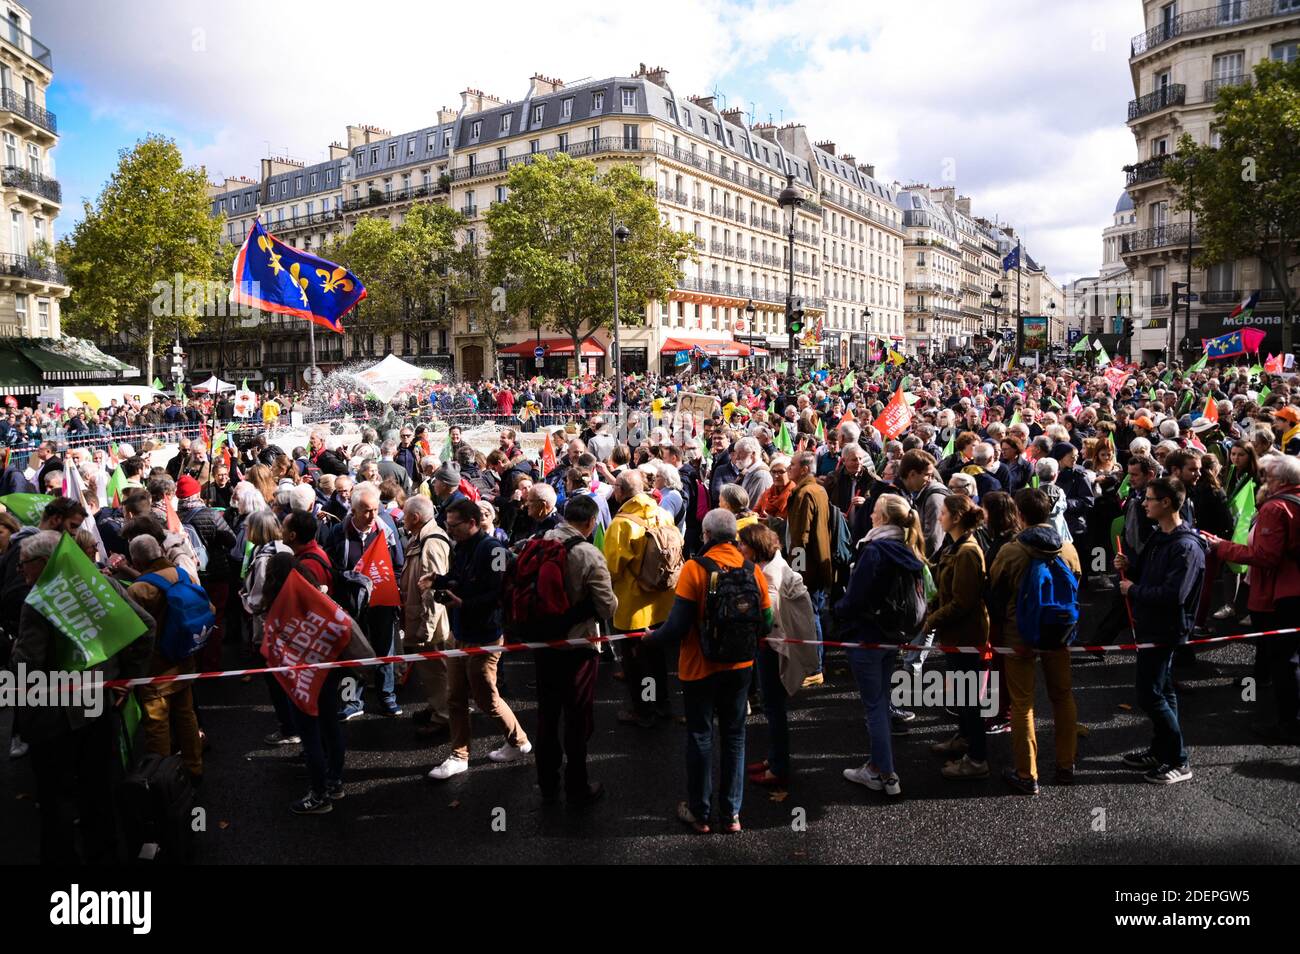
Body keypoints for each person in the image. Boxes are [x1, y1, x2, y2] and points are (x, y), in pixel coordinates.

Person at [11, 530, 154, 863]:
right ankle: (104, 853)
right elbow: (145, 626)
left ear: (44, 564)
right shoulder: (100, 584)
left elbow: (26, 664)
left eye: (24, 565)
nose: (21, 572)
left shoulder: (38, 601)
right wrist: (126, 680)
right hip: (100, 703)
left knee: (56, 798)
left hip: (54, 714)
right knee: (99, 788)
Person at [641, 508, 772, 834]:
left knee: (700, 735)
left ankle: (700, 814)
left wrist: (650, 638)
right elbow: (766, 621)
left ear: (707, 535)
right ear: (735, 537)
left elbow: (677, 626)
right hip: (740, 666)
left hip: (699, 667)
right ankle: (732, 815)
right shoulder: (752, 569)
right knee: (734, 737)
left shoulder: (694, 569)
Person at [426, 498, 532, 779]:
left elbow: (497, 595)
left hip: (485, 636)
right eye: (447, 525)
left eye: (453, 526)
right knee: (455, 697)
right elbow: (458, 578)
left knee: (486, 697)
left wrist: (463, 603)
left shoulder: (493, 549)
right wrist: (438, 581)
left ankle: (518, 741)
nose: (449, 531)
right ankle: (460, 755)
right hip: (461, 633)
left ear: (472, 523)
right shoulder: (461, 547)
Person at [987, 487, 1081, 795]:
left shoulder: (1012, 550)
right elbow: (1078, 581)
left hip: (1020, 635)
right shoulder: (1067, 548)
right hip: (1059, 633)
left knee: (1022, 704)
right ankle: (1067, 765)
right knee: (1062, 696)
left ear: (1020, 515)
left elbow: (995, 591)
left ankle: (1027, 774)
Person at [835, 493, 927, 798]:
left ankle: (883, 773)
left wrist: (839, 610)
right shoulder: (907, 548)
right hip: (891, 634)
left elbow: (857, 597)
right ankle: (879, 765)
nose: (870, 516)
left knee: (874, 706)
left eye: (874, 512)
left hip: (866, 634)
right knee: (881, 700)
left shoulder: (875, 550)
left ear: (884, 519)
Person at [1203, 454, 1300, 743]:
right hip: (1290, 589)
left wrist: (1223, 548)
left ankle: (1289, 724)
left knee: (1286, 661)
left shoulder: (1276, 507)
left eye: (1267, 475)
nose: (1262, 479)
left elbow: (1265, 557)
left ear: (1281, 479)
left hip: (1283, 593)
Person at [1115, 476, 1206, 784]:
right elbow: (1147, 572)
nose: (1144, 503)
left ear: (1166, 503)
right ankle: (1160, 750)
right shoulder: (1160, 536)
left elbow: (1174, 595)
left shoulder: (1185, 547)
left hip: (1165, 628)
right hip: (1150, 624)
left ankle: (1179, 760)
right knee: (1163, 689)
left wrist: (1133, 590)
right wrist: (1129, 564)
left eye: (1150, 498)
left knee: (1150, 694)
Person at [533, 495, 618, 806]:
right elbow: (607, 607)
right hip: (578, 644)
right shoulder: (589, 554)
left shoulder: (539, 541)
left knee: (547, 712)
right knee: (577, 716)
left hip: (541, 642)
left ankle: (546, 780)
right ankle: (578, 786)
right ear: (592, 522)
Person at [127, 534, 210, 785]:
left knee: (157, 724)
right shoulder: (182, 575)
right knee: (186, 716)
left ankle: (163, 777)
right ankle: (194, 767)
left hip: (155, 667)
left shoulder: (138, 590)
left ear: (137, 560)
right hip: (184, 658)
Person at [738, 522, 817, 787]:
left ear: (755, 548)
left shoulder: (768, 577)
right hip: (773, 645)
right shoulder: (774, 564)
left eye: (743, 544)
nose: (739, 548)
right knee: (774, 707)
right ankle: (774, 759)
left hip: (772, 648)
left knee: (775, 708)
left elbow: (767, 616)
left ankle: (779, 766)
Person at [603, 469, 678, 727]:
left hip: (634, 606)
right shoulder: (662, 513)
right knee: (657, 660)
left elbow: (612, 568)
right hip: (662, 600)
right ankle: (662, 703)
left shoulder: (621, 524)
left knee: (638, 665)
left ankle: (645, 710)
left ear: (620, 492)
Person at [926, 495, 992, 779]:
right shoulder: (954, 546)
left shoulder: (967, 551)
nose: (939, 517)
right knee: (962, 692)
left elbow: (962, 601)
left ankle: (977, 759)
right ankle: (965, 738)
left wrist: (931, 621)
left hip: (966, 634)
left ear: (955, 517)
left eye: (942, 513)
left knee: (969, 697)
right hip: (956, 634)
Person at [326, 481, 405, 719]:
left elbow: (398, 565)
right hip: (350, 604)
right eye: (366, 511)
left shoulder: (386, 529)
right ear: (353, 509)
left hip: (381, 603)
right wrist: (349, 578)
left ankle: (387, 697)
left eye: (374, 509)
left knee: (384, 650)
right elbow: (331, 568)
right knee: (352, 653)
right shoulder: (338, 533)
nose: (371, 515)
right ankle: (352, 701)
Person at [239, 510, 297, 747]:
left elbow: (257, 600)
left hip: (271, 628)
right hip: (291, 625)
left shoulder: (264, 558)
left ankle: (289, 728)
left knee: (277, 681)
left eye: (248, 527)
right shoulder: (285, 549)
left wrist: (243, 598)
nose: (245, 531)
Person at [400, 496, 452, 738]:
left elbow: (433, 591)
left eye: (404, 513)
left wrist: (427, 627)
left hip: (430, 620)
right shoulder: (421, 537)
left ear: (415, 517)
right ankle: (437, 706)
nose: (401, 517)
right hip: (421, 616)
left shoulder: (431, 543)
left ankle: (443, 717)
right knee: (431, 670)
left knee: (436, 669)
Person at [784, 450, 833, 685]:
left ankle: (815, 668)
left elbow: (800, 538)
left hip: (808, 568)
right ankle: (817, 664)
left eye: (791, 465)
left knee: (810, 615)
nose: (787, 469)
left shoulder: (804, 494)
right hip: (817, 564)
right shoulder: (819, 489)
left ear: (804, 469)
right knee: (815, 613)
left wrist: (797, 572)